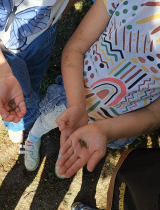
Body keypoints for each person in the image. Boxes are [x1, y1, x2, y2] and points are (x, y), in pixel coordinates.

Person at [22, 0, 160, 176]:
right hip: (72, 95)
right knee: (45, 121)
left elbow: (155, 114)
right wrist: (77, 105)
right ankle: (32, 139)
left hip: (117, 123)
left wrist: (105, 130)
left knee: (72, 140)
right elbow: (75, 48)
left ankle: (66, 152)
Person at [0, 0, 77, 158]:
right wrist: (2, 75)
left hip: (39, 37)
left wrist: (59, 12)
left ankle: (15, 123)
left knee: (29, 87)